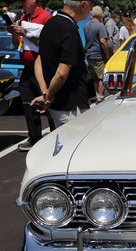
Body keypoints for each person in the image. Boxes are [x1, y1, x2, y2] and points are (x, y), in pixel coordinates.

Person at [31, 0, 96, 129]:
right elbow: (62, 73)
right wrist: (48, 96)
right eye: (91, 5)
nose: (92, 10)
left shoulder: (49, 24)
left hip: (57, 105)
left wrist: (45, 90)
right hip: (71, 106)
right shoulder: (69, 29)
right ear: (83, 5)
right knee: (74, 145)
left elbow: (39, 60)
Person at [9, 0, 52, 151]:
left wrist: (25, 34)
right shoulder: (23, 18)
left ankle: (56, 136)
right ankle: (34, 138)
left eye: (26, 1)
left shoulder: (46, 17)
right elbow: (17, 44)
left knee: (49, 104)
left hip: (42, 68)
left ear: (35, 1)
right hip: (27, 68)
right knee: (28, 104)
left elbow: (49, 43)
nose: (23, 3)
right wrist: (15, 34)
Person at [84, 5, 109, 104]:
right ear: (100, 14)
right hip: (98, 55)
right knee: (102, 77)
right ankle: (100, 97)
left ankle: (97, 95)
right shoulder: (101, 26)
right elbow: (103, 41)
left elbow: (86, 40)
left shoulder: (86, 25)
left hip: (89, 55)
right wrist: (107, 55)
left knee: (94, 78)